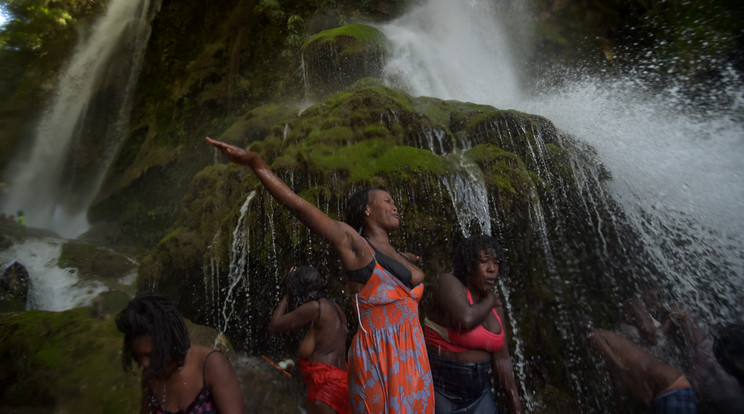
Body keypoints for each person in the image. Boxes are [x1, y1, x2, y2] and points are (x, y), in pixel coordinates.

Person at [206, 136, 434, 413]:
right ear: (367, 209)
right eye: (387, 201)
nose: (395, 206)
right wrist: (256, 163)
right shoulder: (355, 244)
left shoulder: (397, 254)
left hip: (414, 358)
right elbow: (299, 207)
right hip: (381, 360)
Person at [423, 234, 523, 413]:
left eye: (496, 262)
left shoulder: (495, 308)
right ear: (469, 264)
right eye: (484, 261)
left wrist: (516, 407)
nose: (492, 269)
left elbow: (503, 359)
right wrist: (491, 299)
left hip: (480, 394)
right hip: (443, 393)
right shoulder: (448, 283)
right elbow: (465, 319)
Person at [116, 293, 245, 414]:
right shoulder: (150, 376)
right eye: (138, 356)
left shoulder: (211, 365)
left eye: (151, 355)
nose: (144, 364)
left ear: (171, 340)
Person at [269, 265, 350, 414]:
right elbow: (321, 347)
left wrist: (287, 293)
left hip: (324, 385)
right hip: (342, 382)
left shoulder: (315, 308)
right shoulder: (336, 308)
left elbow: (275, 326)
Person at [590, 328, 698, 413]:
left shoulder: (596, 336)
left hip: (669, 388)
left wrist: (622, 370)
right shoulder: (614, 339)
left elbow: (620, 368)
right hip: (672, 383)